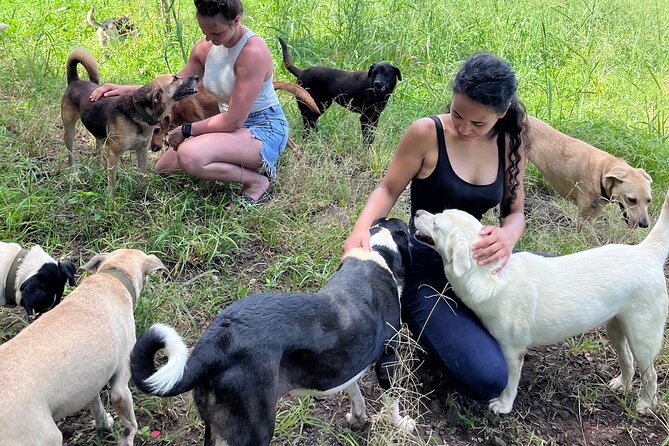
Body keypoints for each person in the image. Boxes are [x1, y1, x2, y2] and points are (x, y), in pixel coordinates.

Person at [342, 53, 529, 401]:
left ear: (501, 114)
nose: (464, 128)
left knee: (546, 291)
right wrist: (360, 231)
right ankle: (433, 324)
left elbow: (515, 212)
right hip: (427, 270)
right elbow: (387, 188)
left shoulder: (509, 140)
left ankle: (463, 329)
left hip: (476, 261)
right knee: (489, 378)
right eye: (458, 115)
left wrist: (508, 235)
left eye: (479, 124)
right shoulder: (427, 133)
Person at [90, 0, 289, 205]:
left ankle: (256, 181)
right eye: (204, 31)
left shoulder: (252, 52)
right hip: (228, 125)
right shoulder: (206, 47)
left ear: (236, 21)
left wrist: (186, 130)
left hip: (262, 127)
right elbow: (174, 87)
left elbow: (233, 120)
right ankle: (240, 160)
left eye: (216, 33)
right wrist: (125, 89)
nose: (209, 38)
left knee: (189, 156)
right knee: (163, 167)